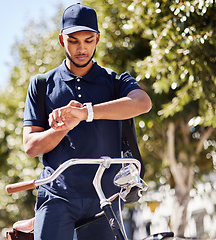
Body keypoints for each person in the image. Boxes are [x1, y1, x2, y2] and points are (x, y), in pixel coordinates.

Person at [23, 3, 152, 240]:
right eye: (73, 41)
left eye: (88, 40)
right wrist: (61, 129)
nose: (81, 48)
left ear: (97, 39)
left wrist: (86, 113)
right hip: (57, 195)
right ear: (62, 40)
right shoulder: (42, 85)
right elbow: (31, 146)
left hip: (105, 198)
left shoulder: (115, 81)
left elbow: (143, 103)